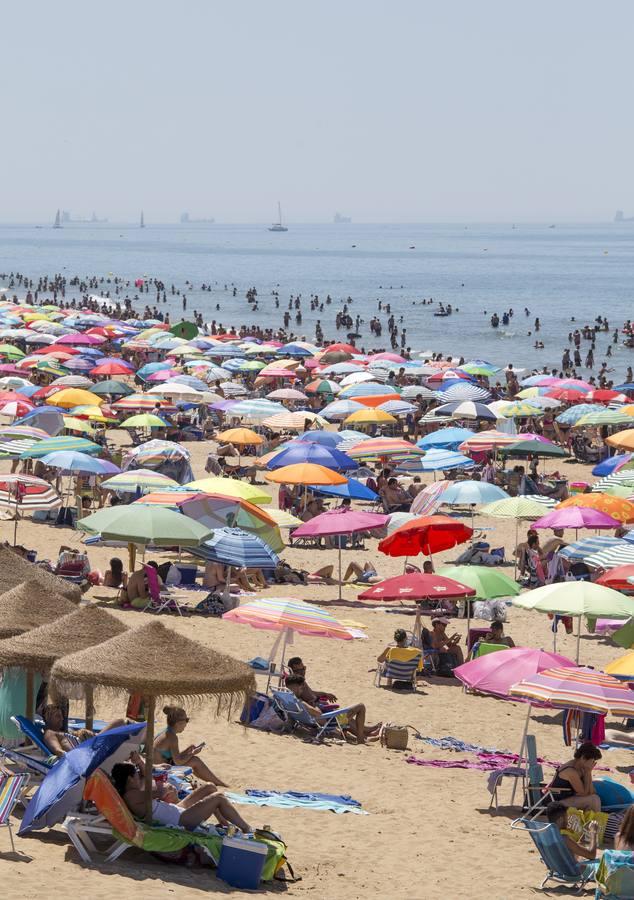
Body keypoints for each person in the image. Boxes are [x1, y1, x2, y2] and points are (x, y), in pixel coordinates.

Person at [112, 752, 251, 832]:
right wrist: (164, 785)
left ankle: (224, 823)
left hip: (177, 810)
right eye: (135, 774)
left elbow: (147, 777)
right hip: (180, 820)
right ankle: (247, 829)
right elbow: (159, 793)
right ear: (130, 779)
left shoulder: (133, 790)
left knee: (209, 787)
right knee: (219, 797)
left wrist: (139, 763)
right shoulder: (132, 795)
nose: (138, 775)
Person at [285, 675, 380, 745]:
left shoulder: (288, 699)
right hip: (328, 721)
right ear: (297, 687)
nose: (302, 689)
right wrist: (314, 704)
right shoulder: (301, 702)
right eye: (302, 687)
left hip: (318, 721)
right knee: (360, 706)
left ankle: (365, 735)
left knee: (346, 718)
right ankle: (361, 739)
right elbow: (318, 713)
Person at [153, 706, 227, 786]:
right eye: (186, 720)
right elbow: (178, 762)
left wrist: (186, 751)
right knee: (195, 760)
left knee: (194, 761)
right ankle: (219, 783)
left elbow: (173, 758)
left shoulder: (165, 732)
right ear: (178, 723)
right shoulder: (172, 737)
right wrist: (192, 753)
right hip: (160, 773)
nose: (186, 724)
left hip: (157, 768)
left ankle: (216, 783)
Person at [42, 704, 126, 759]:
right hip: (88, 753)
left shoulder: (61, 732)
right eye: (58, 716)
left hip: (90, 748)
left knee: (120, 726)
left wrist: (82, 733)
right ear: (47, 717)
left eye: (61, 716)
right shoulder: (49, 733)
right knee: (119, 722)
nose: (62, 719)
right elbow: (58, 751)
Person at [548, 743, 602, 811]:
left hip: (569, 799)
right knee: (594, 800)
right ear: (583, 758)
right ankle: (596, 821)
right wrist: (588, 772)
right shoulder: (570, 771)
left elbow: (592, 792)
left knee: (595, 798)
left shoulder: (582, 767)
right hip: (557, 803)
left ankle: (594, 820)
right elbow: (583, 793)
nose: (593, 763)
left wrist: (588, 772)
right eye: (592, 760)